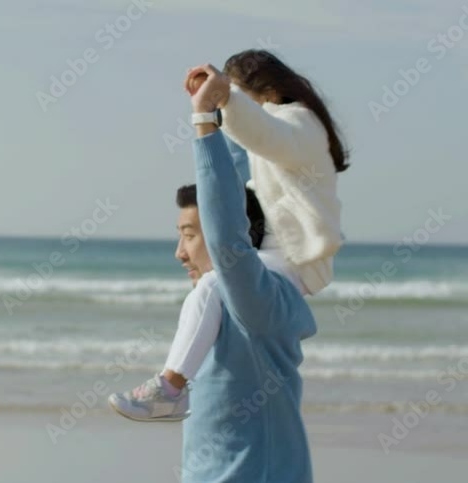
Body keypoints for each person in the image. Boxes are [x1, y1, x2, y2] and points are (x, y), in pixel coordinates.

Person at [108, 50, 349, 422]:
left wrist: (221, 101)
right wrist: (210, 103)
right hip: (272, 255)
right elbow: (234, 161)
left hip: (292, 260)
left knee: (211, 286)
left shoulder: (300, 123)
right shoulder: (274, 131)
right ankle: (180, 386)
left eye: (235, 94)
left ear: (266, 90)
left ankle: (170, 387)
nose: (230, 103)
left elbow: (263, 133)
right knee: (210, 287)